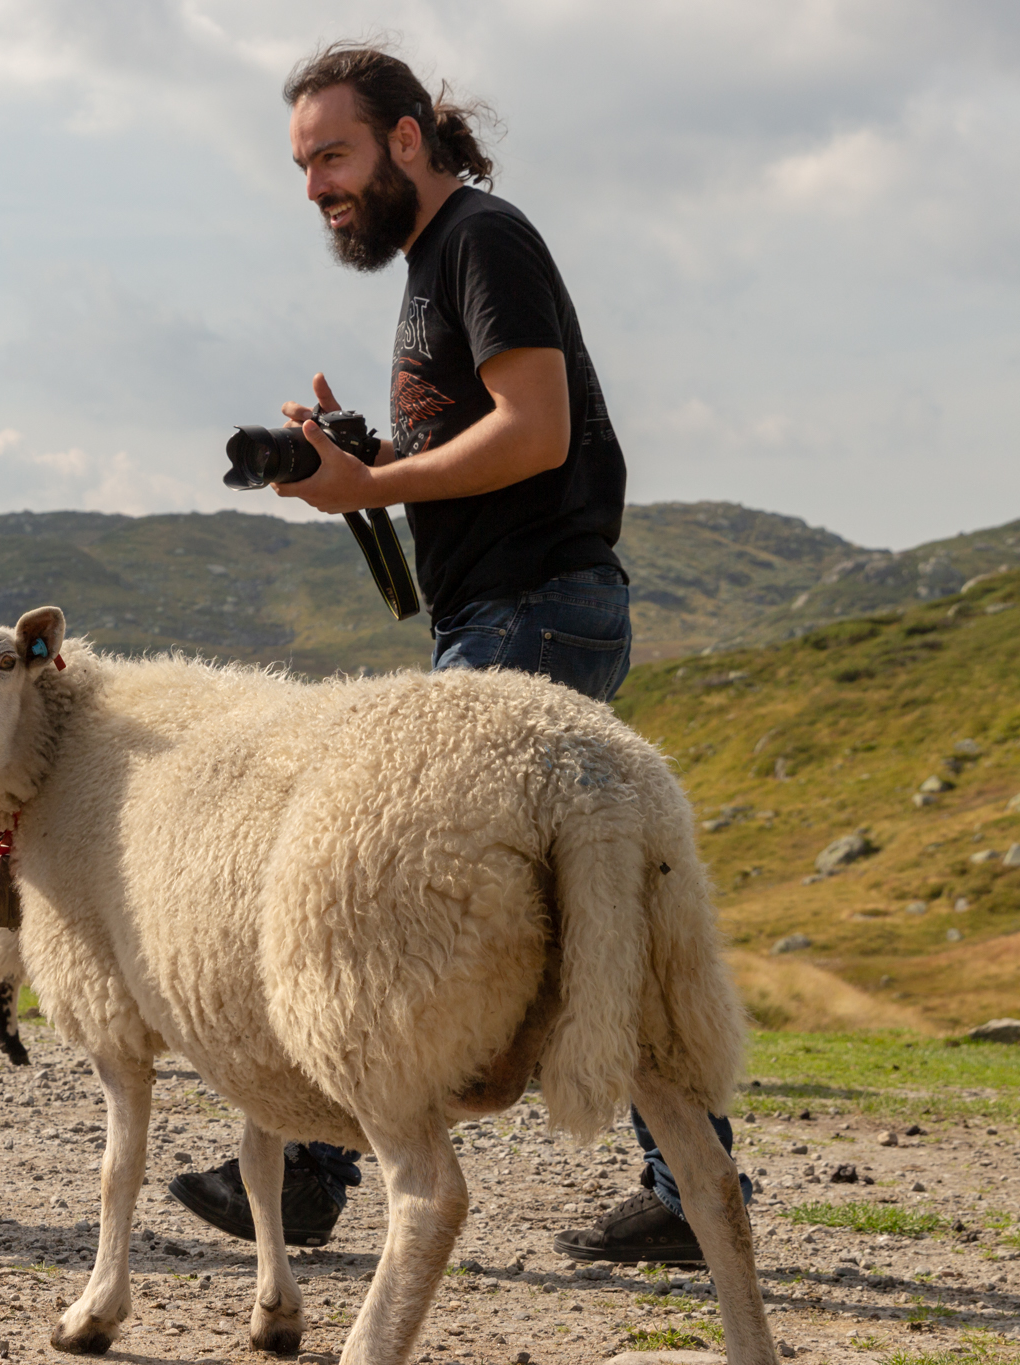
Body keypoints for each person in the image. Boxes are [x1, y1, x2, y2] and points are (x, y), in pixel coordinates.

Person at [167, 42, 749, 1265]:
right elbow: (480, 442)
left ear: (408, 138)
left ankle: (322, 1167)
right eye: (302, 165)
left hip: (531, 610)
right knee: (577, 897)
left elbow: (533, 435)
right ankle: (686, 1184)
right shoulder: (437, 261)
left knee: (376, 873)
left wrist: (367, 479)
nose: (316, 185)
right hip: (518, 608)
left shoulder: (483, 240)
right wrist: (359, 452)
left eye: (332, 154)